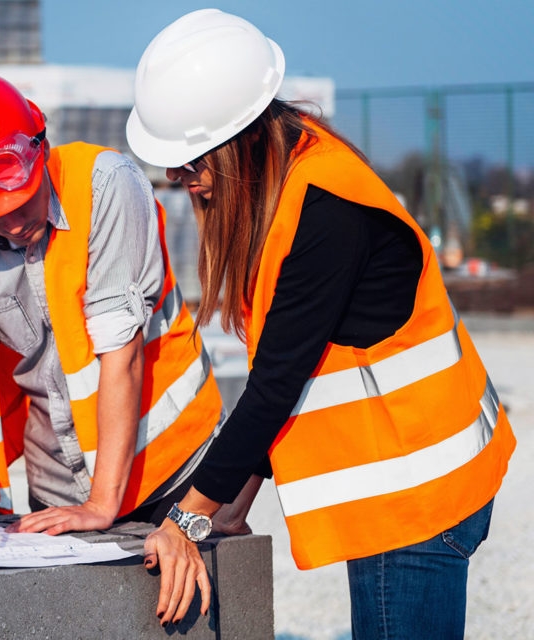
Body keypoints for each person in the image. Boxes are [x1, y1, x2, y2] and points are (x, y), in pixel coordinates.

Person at [125, 9, 517, 636]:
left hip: (416, 496)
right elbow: (300, 368)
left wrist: (188, 520)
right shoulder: (295, 174)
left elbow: (275, 385)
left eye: (190, 161)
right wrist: (233, 503)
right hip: (411, 480)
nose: (178, 179)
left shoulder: (324, 211)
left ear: (237, 139)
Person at [0, 72, 226, 535]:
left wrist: (102, 504)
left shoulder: (105, 185)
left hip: (170, 464)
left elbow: (121, 352)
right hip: (57, 483)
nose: (12, 224)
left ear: (40, 147)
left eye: (20, 202)